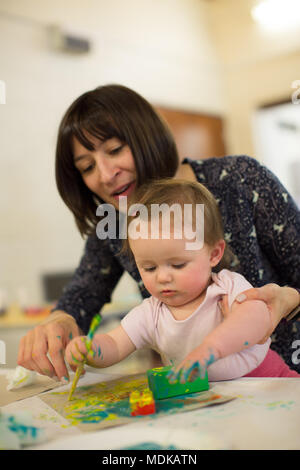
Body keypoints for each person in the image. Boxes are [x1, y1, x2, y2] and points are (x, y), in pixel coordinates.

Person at [17, 84, 300, 382]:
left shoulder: (240, 179)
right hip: (210, 394)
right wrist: (60, 319)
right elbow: (83, 295)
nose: (104, 175)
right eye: (87, 167)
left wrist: (290, 299)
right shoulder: (114, 220)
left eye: (114, 150)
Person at [65, 179, 299, 380]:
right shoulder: (151, 314)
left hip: (268, 379)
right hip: (216, 400)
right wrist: (90, 350)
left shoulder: (225, 287)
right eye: (148, 267)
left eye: (178, 265)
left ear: (214, 254)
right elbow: (115, 344)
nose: (163, 277)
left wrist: (211, 348)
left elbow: (256, 317)